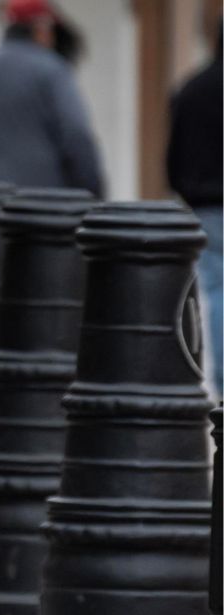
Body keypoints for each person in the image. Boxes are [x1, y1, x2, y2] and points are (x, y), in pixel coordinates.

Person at [0, 0, 103, 196]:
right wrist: (91, 194)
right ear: (42, 29)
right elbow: (77, 136)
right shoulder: (54, 72)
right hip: (38, 210)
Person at [167, 23, 223, 398]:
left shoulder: (190, 89)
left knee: (218, 292)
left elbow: (172, 163)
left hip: (205, 207)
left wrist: (191, 192)